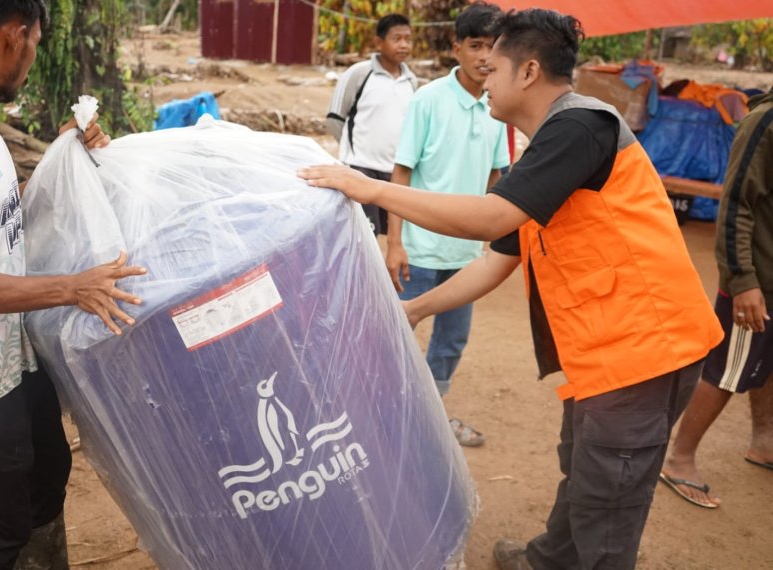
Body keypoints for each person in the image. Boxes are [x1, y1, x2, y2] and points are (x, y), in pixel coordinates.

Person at [299, 8, 723, 570]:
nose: (484, 76)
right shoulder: (552, 144)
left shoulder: (581, 126)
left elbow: (490, 218)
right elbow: (499, 257)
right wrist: (416, 308)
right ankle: (548, 560)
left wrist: (370, 190)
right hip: (606, 351)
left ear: (528, 71)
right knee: (585, 467)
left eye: (493, 66)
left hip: (643, 351)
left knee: (609, 497)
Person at [0, 1, 146, 568]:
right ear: (15, 37)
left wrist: (63, 160)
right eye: (35, 42)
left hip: (10, 359)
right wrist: (71, 288)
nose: (33, 57)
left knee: (43, 486)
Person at [389, 3, 509, 447]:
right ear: (456, 48)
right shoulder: (428, 100)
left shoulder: (499, 106)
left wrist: (492, 241)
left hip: (466, 254)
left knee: (452, 339)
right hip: (419, 248)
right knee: (398, 332)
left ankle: (430, 417)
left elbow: (497, 177)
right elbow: (401, 173)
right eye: (475, 45)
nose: (484, 56)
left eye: (493, 46)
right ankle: (383, 413)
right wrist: (395, 243)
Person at [660, 87, 773, 509]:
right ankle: (679, 458)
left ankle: (764, 441)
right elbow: (736, 202)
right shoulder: (764, 121)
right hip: (758, 279)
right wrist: (743, 281)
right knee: (726, 369)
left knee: (767, 363)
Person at [326, 13, 416, 235]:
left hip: (394, 172)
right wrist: (354, 152)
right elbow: (335, 118)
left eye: (408, 39)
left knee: (391, 233)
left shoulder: (411, 81)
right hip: (361, 169)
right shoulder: (359, 73)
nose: (404, 45)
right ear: (379, 42)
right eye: (397, 39)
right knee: (364, 234)